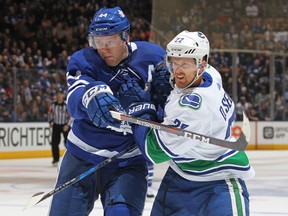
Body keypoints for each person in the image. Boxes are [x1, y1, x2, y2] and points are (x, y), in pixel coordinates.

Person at [118, 30, 255, 215]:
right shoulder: (211, 75)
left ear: (202, 64)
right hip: (179, 176)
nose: (177, 70)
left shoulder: (194, 109)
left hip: (219, 182)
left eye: (185, 63)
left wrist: (140, 109)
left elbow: (153, 152)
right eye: (174, 62)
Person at [48, 6, 165, 216]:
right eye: (97, 42)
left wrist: (154, 104)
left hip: (128, 162)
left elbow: (168, 101)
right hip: (81, 158)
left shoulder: (153, 57)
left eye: (109, 41)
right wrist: (89, 95)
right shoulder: (83, 60)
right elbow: (74, 100)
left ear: (126, 36)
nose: (104, 49)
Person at [48, 87, 71, 166]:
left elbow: (71, 115)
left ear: (63, 95)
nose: (59, 95)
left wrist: (68, 125)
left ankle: (69, 159)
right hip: (56, 125)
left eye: (60, 94)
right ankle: (55, 159)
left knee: (67, 143)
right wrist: (50, 121)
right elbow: (50, 114)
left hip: (64, 125)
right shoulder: (53, 105)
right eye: (58, 94)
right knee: (54, 143)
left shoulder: (67, 105)